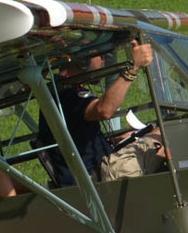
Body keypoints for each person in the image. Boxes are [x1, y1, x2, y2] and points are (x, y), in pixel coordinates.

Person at [28, 39, 162, 188]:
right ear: (83, 60)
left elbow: (81, 137)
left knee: (164, 134)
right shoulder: (65, 92)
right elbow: (104, 110)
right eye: (101, 56)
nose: (104, 60)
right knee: (166, 134)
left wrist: (120, 138)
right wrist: (133, 68)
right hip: (98, 178)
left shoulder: (65, 90)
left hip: (102, 171)